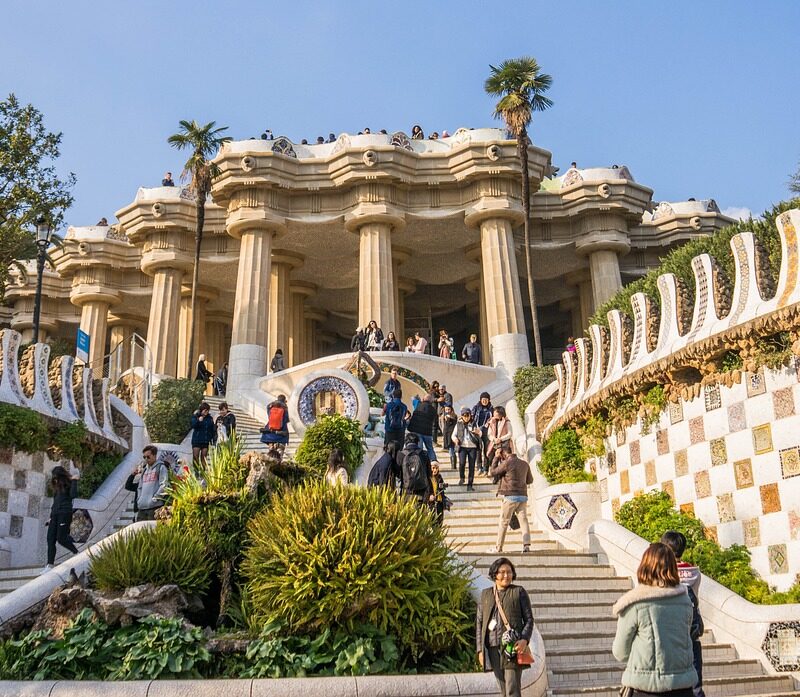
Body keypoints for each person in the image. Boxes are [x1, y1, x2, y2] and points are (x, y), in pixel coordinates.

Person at [612, 543, 697, 697]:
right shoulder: (684, 601)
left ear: (644, 567)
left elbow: (620, 652)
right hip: (683, 687)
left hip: (646, 688)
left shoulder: (635, 603)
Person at [476, 557, 534, 697]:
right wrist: (480, 650)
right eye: (502, 572)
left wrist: (524, 639)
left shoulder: (518, 592)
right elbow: (479, 623)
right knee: (503, 690)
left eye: (509, 572)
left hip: (511, 647)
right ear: (494, 574)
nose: (506, 575)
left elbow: (529, 619)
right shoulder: (485, 594)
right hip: (492, 647)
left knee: (512, 689)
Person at [661, 531, 706, 697]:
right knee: (695, 687)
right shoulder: (695, 573)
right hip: (691, 633)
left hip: (671, 636)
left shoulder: (664, 573)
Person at [489, 444, 533, 553]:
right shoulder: (524, 464)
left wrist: (495, 458)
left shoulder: (506, 463)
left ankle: (498, 547)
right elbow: (530, 480)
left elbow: (493, 472)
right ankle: (526, 545)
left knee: (504, 522)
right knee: (524, 520)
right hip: (522, 496)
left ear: (503, 453)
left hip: (510, 496)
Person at [43, 464, 81, 571]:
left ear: (61, 476)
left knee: (61, 538)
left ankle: (76, 552)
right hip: (55, 515)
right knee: (50, 539)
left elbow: (73, 495)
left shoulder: (69, 484)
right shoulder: (56, 488)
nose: (55, 480)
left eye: (56, 477)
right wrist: (50, 517)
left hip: (64, 513)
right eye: (54, 478)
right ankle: (50, 565)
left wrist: (74, 481)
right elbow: (55, 503)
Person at [125, 445, 169, 522]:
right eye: (144, 457)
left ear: (154, 455)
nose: (146, 459)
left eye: (148, 457)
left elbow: (164, 485)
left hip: (155, 507)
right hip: (142, 507)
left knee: (153, 528)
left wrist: (155, 499)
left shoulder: (161, 467)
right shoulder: (144, 470)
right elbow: (139, 487)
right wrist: (139, 500)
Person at [397, 433, 432, 505]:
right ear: (417, 442)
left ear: (406, 442)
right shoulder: (424, 454)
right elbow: (429, 473)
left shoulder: (401, 454)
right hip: (422, 490)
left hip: (406, 490)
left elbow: (398, 473)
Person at [453, 407, 481, 490]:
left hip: (472, 447)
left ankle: (470, 485)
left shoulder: (474, 423)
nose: (466, 417)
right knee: (462, 463)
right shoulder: (458, 424)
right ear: (461, 416)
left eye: (467, 415)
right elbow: (453, 435)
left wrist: (478, 432)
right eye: (464, 415)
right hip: (462, 447)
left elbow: (480, 433)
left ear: (470, 415)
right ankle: (462, 477)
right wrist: (455, 440)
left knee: (472, 466)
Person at [407, 392, 438, 463]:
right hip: (428, 432)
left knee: (419, 449)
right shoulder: (433, 410)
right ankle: (434, 462)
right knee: (430, 449)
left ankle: (419, 463)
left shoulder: (418, 405)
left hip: (417, 431)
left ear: (423, 399)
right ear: (431, 401)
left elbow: (413, 399)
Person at [260, 394, 290, 461]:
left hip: (270, 436)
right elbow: (288, 419)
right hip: (281, 437)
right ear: (284, 401)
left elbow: (268, 407)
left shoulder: (271, 409)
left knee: (271, 457)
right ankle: (278, 465)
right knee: (279, 457)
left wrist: (274, 402)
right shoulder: (285, 410)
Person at [472, 392, 494, 475]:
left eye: (486, 399)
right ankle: (479, 467)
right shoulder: (476, 407)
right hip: (477, 431)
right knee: (478, 449)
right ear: (480, 400)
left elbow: (493, 419)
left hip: (487, 431)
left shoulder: (491, 408)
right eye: (483, 399)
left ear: (489, 400)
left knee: (486, 450)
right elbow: (472, 418)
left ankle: (486, 468)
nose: (484, 401)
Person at [440, 404, 458, 470]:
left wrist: (448, 418)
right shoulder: (443, 417)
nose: (447, 411)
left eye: (448, 409)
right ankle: (453, 465)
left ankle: (453, 465)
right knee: (450, 450)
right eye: (446, 410)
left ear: (451, 410)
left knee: (452, 449)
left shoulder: (454, 416)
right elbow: (442, 426)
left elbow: (454, 421)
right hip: (446, 434)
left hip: (453, 434)